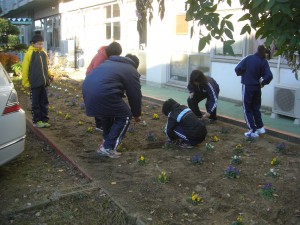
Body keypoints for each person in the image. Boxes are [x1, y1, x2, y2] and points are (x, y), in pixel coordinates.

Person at [82, 54, 142, 158]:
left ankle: (106, 141)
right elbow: (135, 94)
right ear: (135, 65)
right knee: (125, 116)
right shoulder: (131, 70)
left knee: (107, 113)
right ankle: (108, 147)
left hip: (88, 90)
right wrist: (136, 114)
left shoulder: (109, 63)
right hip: (103, 93)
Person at [235, 45, 273, 138]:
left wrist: (244, 73)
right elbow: (269, 76)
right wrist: (262, 83)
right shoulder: (264, 61)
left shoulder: (249, 58)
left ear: (257, 50)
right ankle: (260, 128)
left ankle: (252, 131)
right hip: (257, 87)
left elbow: (237, 69)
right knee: (256, 108)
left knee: (247, 108)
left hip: (247, 86)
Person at [85, 41, 122, 132]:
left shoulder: (107, 55)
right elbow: (96, 74)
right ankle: (100, 125)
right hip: (93, 80)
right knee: (99, 101)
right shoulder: (101, 58)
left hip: (99, 80)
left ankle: (103, 124)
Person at [22, 33, 53, 128]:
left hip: (43, 84)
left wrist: (50, 75)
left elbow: (46, 67)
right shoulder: (29, 54)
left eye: (42, 44)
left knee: (44, 102)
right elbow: (25, 69)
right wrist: (26, 83)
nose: (40, 46)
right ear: (33, 44)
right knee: (36, 103)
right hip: (34, 84)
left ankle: (44, 119)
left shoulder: (43, 53)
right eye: (38, 44)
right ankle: (37, 120)